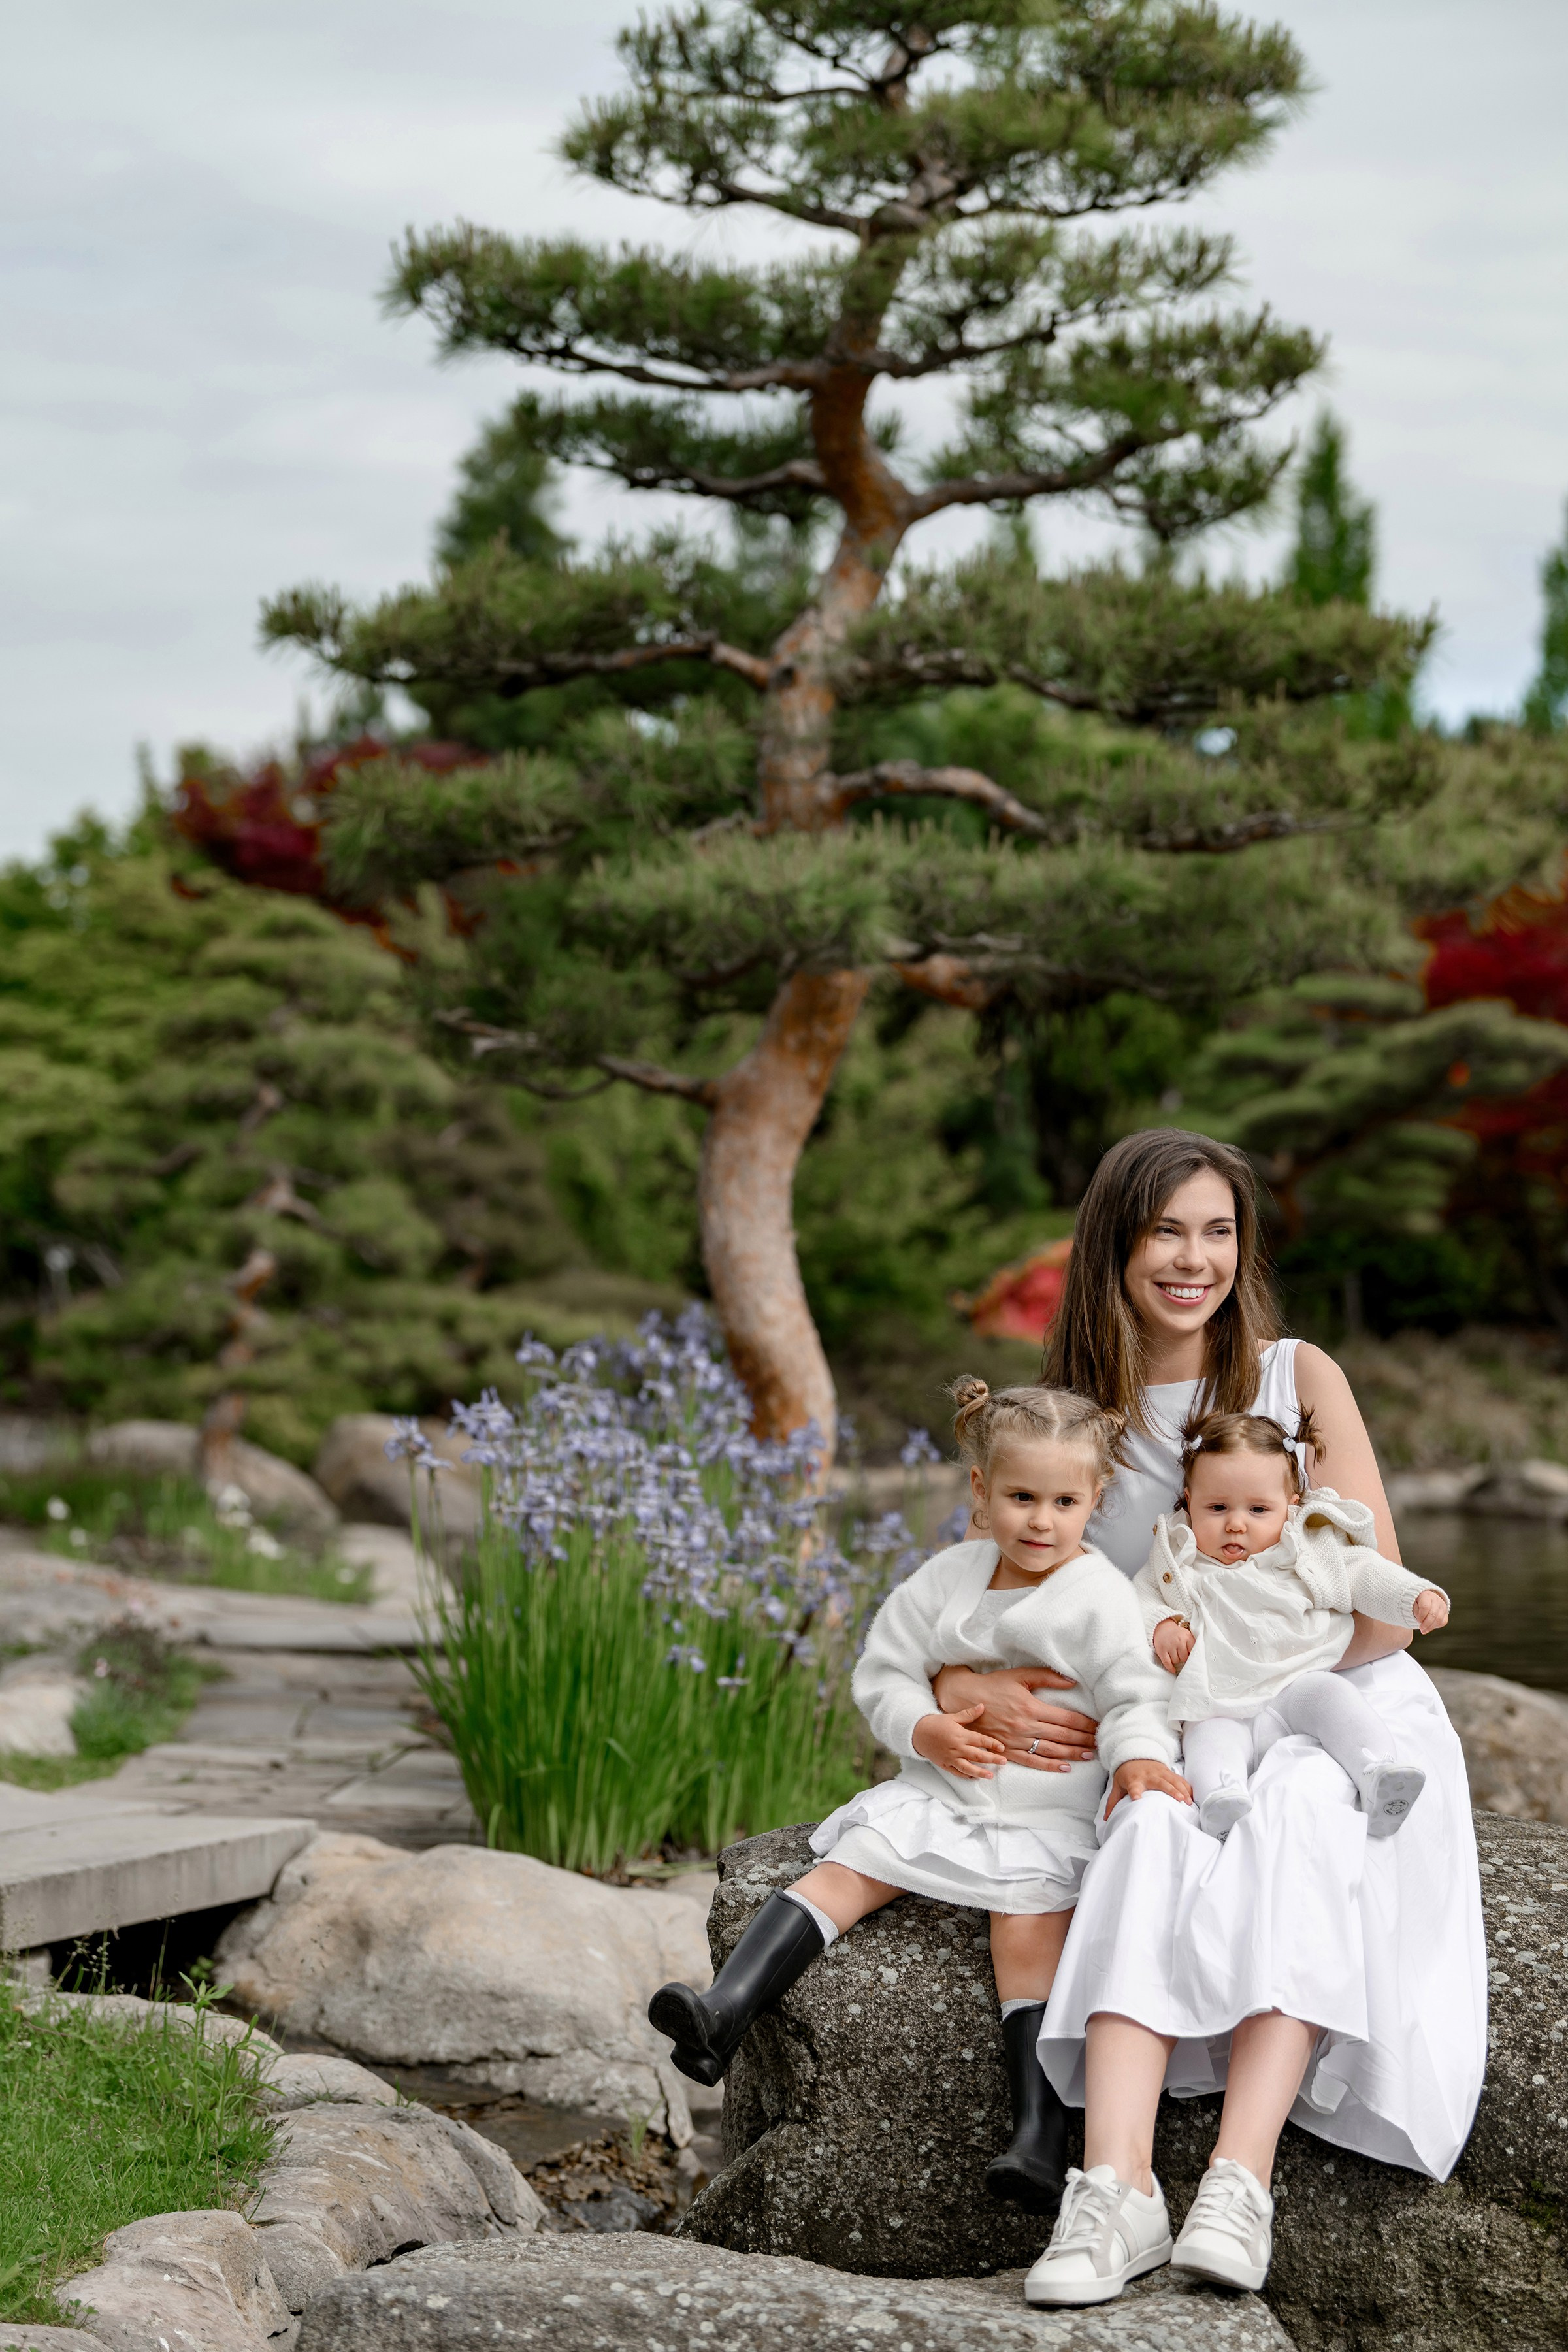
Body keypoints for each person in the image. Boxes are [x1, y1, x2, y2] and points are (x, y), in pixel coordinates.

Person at [926, 1130, 1485, 2310]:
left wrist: (1250, 1674)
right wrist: (982, 1695)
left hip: (1334, 1697)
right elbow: (993, 1611)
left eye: (1219, 1230)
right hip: (1174, 1710)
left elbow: (1376, 1595)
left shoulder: (1294, 1377)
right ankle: (1115, 2189)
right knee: (1150, 1822)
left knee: (1295, 1809)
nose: (1195, 1258)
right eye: (1166, 1230)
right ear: (1114, 1245)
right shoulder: (1069, 1415)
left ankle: (1241, 2181)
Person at [645, 1382, 1190, 2217]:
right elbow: (884, 1670)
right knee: (851, 1863)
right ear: (979, 1491)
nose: (1040, 1521)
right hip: (944, 1792)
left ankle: (1039, 2134)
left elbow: (1133, 1698)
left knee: (1027, 1927)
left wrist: (1140, 1760)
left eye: (1063, 1501)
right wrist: (928, 1728)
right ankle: (725, 2013)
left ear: (1095, 1501)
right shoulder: (949, 1577)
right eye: (1020, 1497)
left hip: (1046, 1809)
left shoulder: (1100, 1597)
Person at [1139, 1407, 1451, 1841]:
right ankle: (1221, 1797)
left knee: (1337, 1700)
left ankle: (1377, 1771)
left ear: (1291, 1507)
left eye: (1258, 1509)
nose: (1235, 1523)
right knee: (1207, 1740)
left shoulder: (1305, 1548)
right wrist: (1163, 1625)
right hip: (1219, 1696)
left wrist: (1414, 1597)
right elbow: (1141, 1599)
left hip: (1297, 1680)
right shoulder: (1178, 1558)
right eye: (1217, 1507)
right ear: (1189, 1501)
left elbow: (1362, 1572)